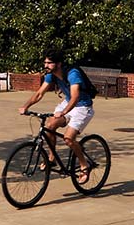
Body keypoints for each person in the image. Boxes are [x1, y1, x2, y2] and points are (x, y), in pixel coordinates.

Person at [18, 50, 96, 180]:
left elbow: (75, 97)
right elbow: (39, 93)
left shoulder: (72, 74)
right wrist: (25, 107)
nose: (46, 65)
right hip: (67, 103)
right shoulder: (51, 75)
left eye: (49, 63)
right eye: (45, 62)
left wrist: (64, 112)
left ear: (59, 64)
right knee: (49, 126)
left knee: (68, 138)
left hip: (82, 106)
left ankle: (84, 165)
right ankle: (51, 158)